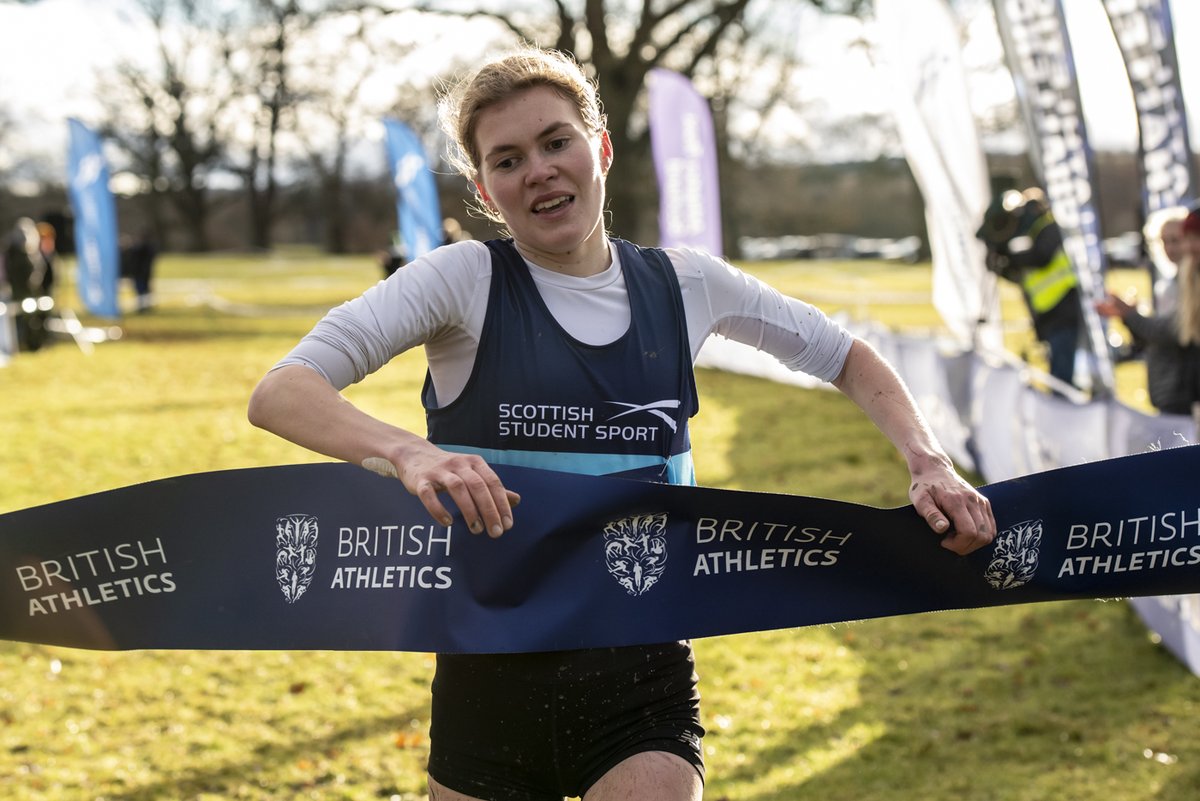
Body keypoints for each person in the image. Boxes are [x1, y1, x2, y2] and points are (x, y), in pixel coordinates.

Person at [248, 47, 995, 801]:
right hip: (488, 679)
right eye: (507, 159)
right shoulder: (461, 279)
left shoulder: (687, 284)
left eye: (555, 141)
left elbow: (848, 355)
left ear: (599, 148)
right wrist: (406, 453)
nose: (537, 169)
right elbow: (283, 391)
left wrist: (928, 459)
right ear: (485, 189)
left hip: (642, 677)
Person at [1097, 207, 1200, 425]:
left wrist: (1130, 315)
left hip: (1181, 391)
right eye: (1165, 241)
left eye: (1177, 240)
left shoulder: (1188, 281)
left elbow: (1174, 330)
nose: (1175, 248)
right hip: (1172, 390)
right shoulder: (1175, 282)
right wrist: (1130, 319)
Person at [976, 187, 1086, 389]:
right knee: (1057, 368)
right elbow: (1019, 274)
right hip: (1045, 311)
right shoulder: (1029, 236)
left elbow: (1041, 257)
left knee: (1062, 374)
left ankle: (1062, 407)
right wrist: (1002, 263)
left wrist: (1009, 258)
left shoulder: (1050, 227)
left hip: (1064, 308)